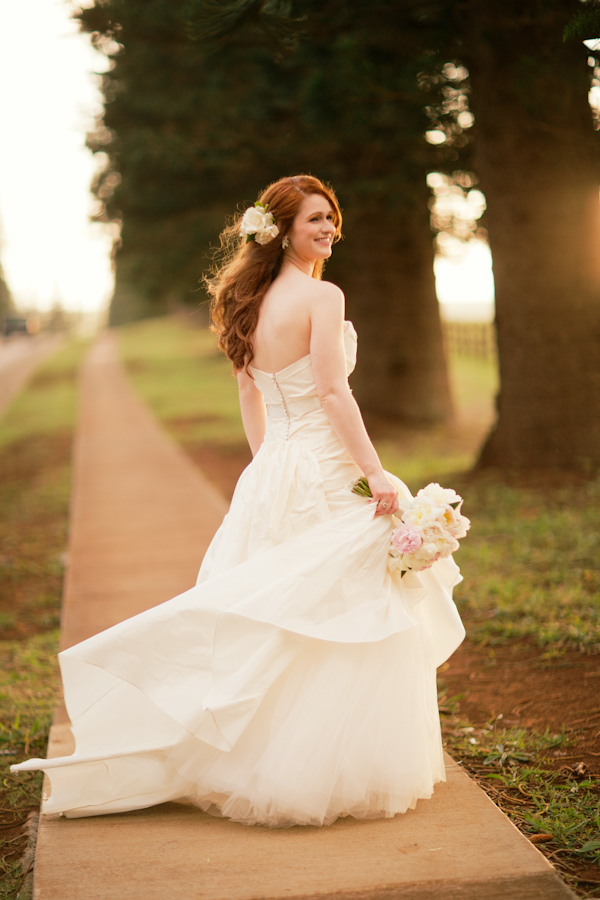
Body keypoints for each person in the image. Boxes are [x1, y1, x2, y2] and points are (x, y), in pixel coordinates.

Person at [11, 174, 465, 827]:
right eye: (315, 219)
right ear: (280, 229)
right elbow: (334, 394)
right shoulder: (322, 296)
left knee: (279, 617)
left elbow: (251, 396)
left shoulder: (249, 302)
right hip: (328, 467)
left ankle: (270, 760)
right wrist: (376, 474)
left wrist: (267, 466)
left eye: (331, 217)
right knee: (332, 614)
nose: (328, 229)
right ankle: (319, 767)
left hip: (276, 469)